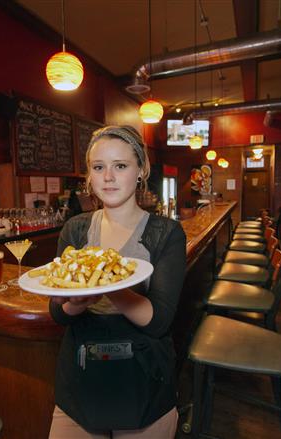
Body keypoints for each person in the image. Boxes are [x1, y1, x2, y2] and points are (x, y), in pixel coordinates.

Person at [48, 125, 187, 438]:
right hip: (80, 382)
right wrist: (75, 303)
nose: (108, 177)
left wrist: (107, 286)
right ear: (89, 176)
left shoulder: (167, 233)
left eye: (120, 166)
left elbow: (159, 321)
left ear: (141, 170)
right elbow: (57, 313)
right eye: (99, 167)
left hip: (143, 382)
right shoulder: (74, 230)